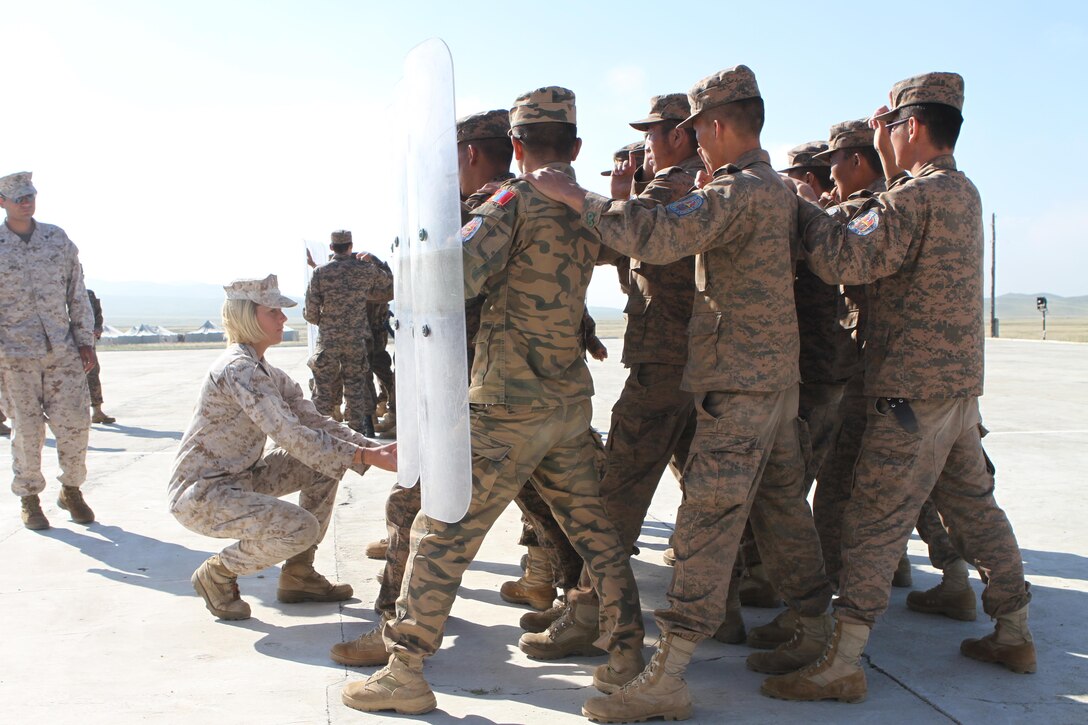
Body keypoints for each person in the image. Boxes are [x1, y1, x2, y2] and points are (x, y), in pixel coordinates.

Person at [524, 66, 835, 721]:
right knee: (781, 510)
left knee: (705, 524)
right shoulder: (774, 187)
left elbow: (660, 236)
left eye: (697, 131)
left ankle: (667, 675)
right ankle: (816, 629)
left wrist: (577, 196)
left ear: (716, 126)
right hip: (775, 379)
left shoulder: (737, 190)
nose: (696, 143)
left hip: (738, 384)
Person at [340, 87, 644, 717]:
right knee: (598, 535)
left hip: (506, 405)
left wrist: (420, 253)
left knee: (441, 530)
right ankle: (626, 662)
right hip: (567, 401)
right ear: (576, 146)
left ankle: (405, 670)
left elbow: (458, 277)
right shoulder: (591, 207)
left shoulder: (512, 198)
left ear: (514, 146)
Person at [763, 72, 1035, 705]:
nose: (881, 141)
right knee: (975, 508)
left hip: (908, 394)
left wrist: (798, 202)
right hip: (954, 395)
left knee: (872, 519)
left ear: (911, 128)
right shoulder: (962, 191)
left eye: (887, 128)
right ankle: (1014, 628)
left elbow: (841, 261)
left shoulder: (913, 199)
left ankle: (843, 660)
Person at [519, 92, 706, 655]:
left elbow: (621, 236)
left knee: (618, 490)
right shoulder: (707, 182)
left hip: (666, 362)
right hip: (700, 359)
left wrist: (585, 197)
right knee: (714, 485)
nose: (646, 144)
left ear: (678, 134)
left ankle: (589, 614)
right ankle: (740, 604)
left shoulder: (677, 183)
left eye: (653, 133)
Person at [168, 274, 397, 620]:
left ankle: (298, 573)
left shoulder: (264, 370)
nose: (283, 318)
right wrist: (365, 456)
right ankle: (217, 573)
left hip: (239, 478)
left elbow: (314, 420)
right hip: (203, 495)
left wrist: (373, 448)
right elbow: (291, 435)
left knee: (324, 462)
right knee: (300, 526)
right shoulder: (238, 370)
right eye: (272, 311)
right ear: (248, 316)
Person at [0, 171, 97, 530]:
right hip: (13, 356)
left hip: (62, 351)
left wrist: (85, 340)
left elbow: (77, 291)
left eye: (30, 196)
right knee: (26, 430)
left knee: (75, 424)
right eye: (19, 197)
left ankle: (71, 489)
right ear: (3, 202)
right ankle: (29, 498)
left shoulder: (57, 240)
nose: (27, 202)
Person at [305, 230, 394, 437]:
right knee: (356, 389)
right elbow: (389, 283)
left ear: (331, 248)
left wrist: (325, 323)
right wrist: (374, 261)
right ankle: (356, 436)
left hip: (328, 340)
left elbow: (310, 312)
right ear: (351, 246)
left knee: (323, 389)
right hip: (356, 339)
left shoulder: (320, 272)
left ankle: (321, 435)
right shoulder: (365, 270)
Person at [86, 289, 117, 425]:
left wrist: (98, 328)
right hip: (68, 344)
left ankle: (97, 412)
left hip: (88, 343)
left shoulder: (89, 294)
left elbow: (98, 315)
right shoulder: (60, 292)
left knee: (93, 375)